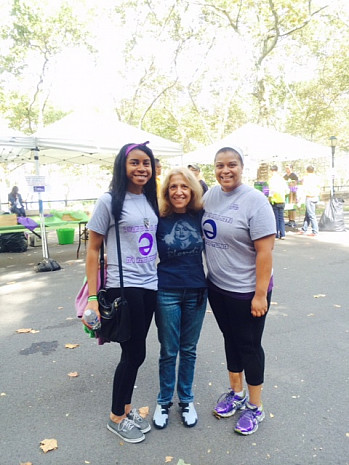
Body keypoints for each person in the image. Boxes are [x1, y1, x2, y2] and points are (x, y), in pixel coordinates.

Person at [83, 141, 159, 444]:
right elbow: (92, 251)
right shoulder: (109, 201)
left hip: (150, 285)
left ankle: (126, 409)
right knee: (134, 352)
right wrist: (92, 298)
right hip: (123, 286)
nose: (141, 169)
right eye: (135, 163)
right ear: (122, 166)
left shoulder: (151, 200)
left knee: (136, 351)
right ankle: (116, 416)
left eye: (146, 164)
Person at [202, 146, 276, 435]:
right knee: (230, 339)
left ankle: (256, 407)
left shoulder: (255, 201)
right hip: (218, 287)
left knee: (249, 345)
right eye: (220, 166)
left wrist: (260, 294)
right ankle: (237, 393)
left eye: (231, 164)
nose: (225, 171)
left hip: (248, 291)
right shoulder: (210, 196)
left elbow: (265, 252)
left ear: (241, 167)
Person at [153, 167, 207, 429]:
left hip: (197, 291)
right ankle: (164, 401)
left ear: (192, 190)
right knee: (168, 350)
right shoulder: (158, 217)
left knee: (188, 350)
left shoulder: (201, 215)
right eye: (173, 187)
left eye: (184, 187)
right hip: (166, 292)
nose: (179, 192)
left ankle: (186, 399)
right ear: (166, 191)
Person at [298, 165, 321, 237]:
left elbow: (303, 188)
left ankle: (315, 231)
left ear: (306, 171)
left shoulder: (306, 178)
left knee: (311, 215)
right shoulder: (317, 178)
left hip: (309, 197)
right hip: (315, 196)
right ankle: (304, 228)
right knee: (308, 214)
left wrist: (300, 199)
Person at [268, 165, 289, 240]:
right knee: (281, 218)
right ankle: (283, 234)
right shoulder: (282, 179)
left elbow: (271, 192)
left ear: (271, 171)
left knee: (275, 218)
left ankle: (276, 234)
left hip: (275, 201)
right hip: (282, 200)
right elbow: (287, 191)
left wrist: (269, 199)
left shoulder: (271, 180)